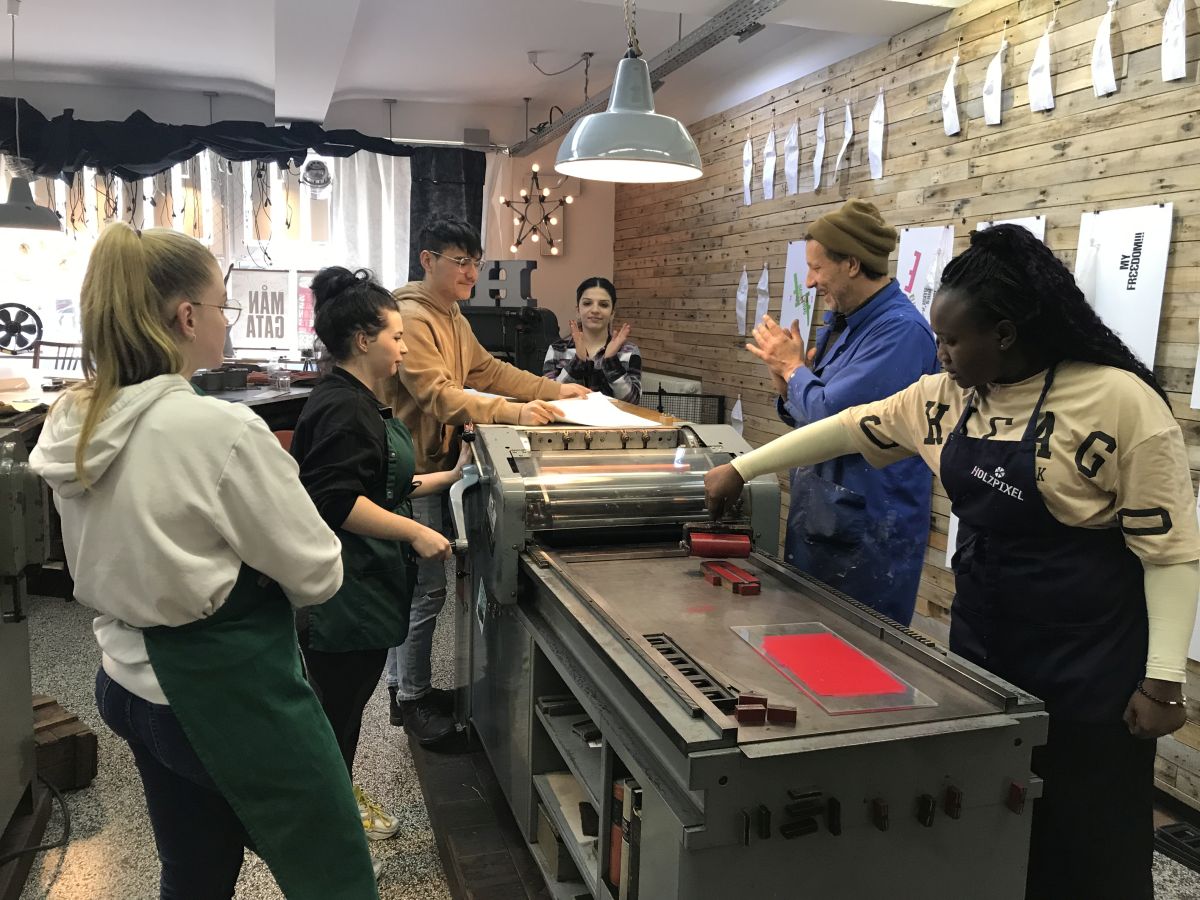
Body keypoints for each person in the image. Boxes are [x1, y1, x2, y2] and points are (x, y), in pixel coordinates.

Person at [706, 224, 1200, 900]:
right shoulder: (947, 396)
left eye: (951, 340)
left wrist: (1164, 681)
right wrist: (742, 468)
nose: (937, 353)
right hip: (985, 642)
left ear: (1005, 334)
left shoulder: (1119, 403)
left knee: (1083, 832)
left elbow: (1170, 553)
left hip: (1088, 661)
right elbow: (847, 427)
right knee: (990, 812)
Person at [30, 224, 379, 899]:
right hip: (221, 693)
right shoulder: (219, 430)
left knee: (194, 871)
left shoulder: (74, 417)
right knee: (333, 870)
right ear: (188, 317)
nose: (227, 322)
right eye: (224, 306)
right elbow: (317, 574)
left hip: (126, 678)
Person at [380, 215, 589, 746]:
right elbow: (439, 396)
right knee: (424, 592)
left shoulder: (451, 315)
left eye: (475, 262)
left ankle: (405, 687)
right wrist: (516, 412)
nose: (472, 273)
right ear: (427, 260)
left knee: (419, 589)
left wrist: (552, 390)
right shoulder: (413, 317)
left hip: (433, 466)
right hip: (415, 471)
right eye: (460, 262)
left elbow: (489, 372)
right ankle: (411, 699)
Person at [289, 267, 470, 839]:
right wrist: (415, 533)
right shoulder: (344, 408)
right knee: (335, 715)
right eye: (395, 337)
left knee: (342, 711)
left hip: (363, 587)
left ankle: (335, 799)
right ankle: (330, 823)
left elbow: (381, 483)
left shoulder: (358, 400)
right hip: (343, 594)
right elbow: (336, 501)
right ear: (364, 340)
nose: (403, 348)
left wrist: (452, 476)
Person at [746, 198, 938, 625]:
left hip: (869, 534)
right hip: (824, 520)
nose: (810, 281)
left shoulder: (900, 332)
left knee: (856, 652)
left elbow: (833, 421)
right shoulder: (844, 323)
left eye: (817, 268)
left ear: (851, 264)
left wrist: (793, 369)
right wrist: (787, 382)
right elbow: (808, 414)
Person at [543, 276, 642, 403]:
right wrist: (577, 362)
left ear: (612, 313)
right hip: (567, 416)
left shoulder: (629, 351)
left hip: (612, 417)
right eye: (587, 303)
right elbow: (549, 397)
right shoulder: (557, 349)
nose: (595, 310)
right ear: (578, 311)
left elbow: (632, 401)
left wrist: (611, 361)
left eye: (603, 305)